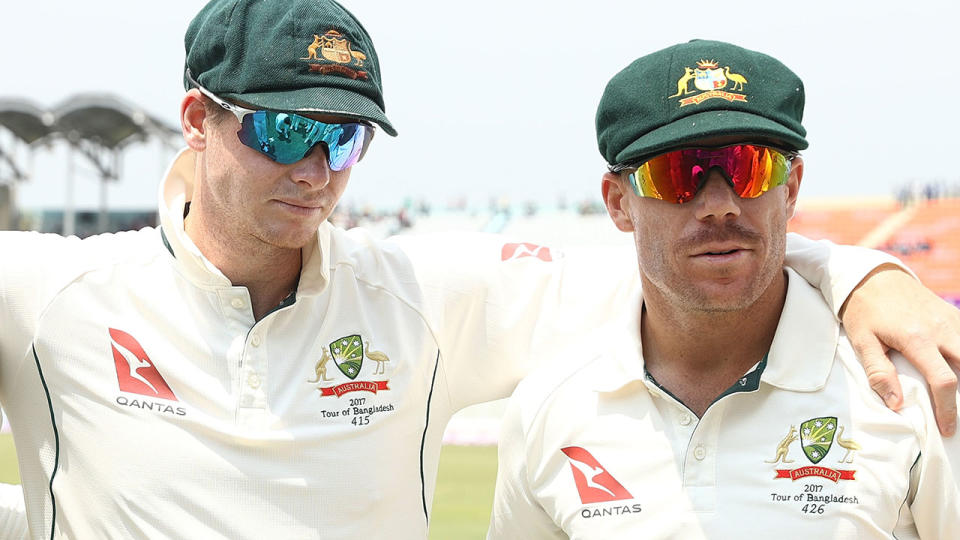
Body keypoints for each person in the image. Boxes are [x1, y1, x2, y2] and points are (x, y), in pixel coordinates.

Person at [0, 1, 957, 536]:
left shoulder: (419, 295)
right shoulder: (54, 299)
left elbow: (692, 262)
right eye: (285, 127)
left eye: (344, 140)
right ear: (197, 120)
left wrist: (869, 272)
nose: (314, 170)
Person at [488, 39, 960, 539]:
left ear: (792, 188)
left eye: (749, 168)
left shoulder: (910, 388)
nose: (720, 204)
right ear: (618, 203)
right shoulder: (551, 407)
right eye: (676, 175)